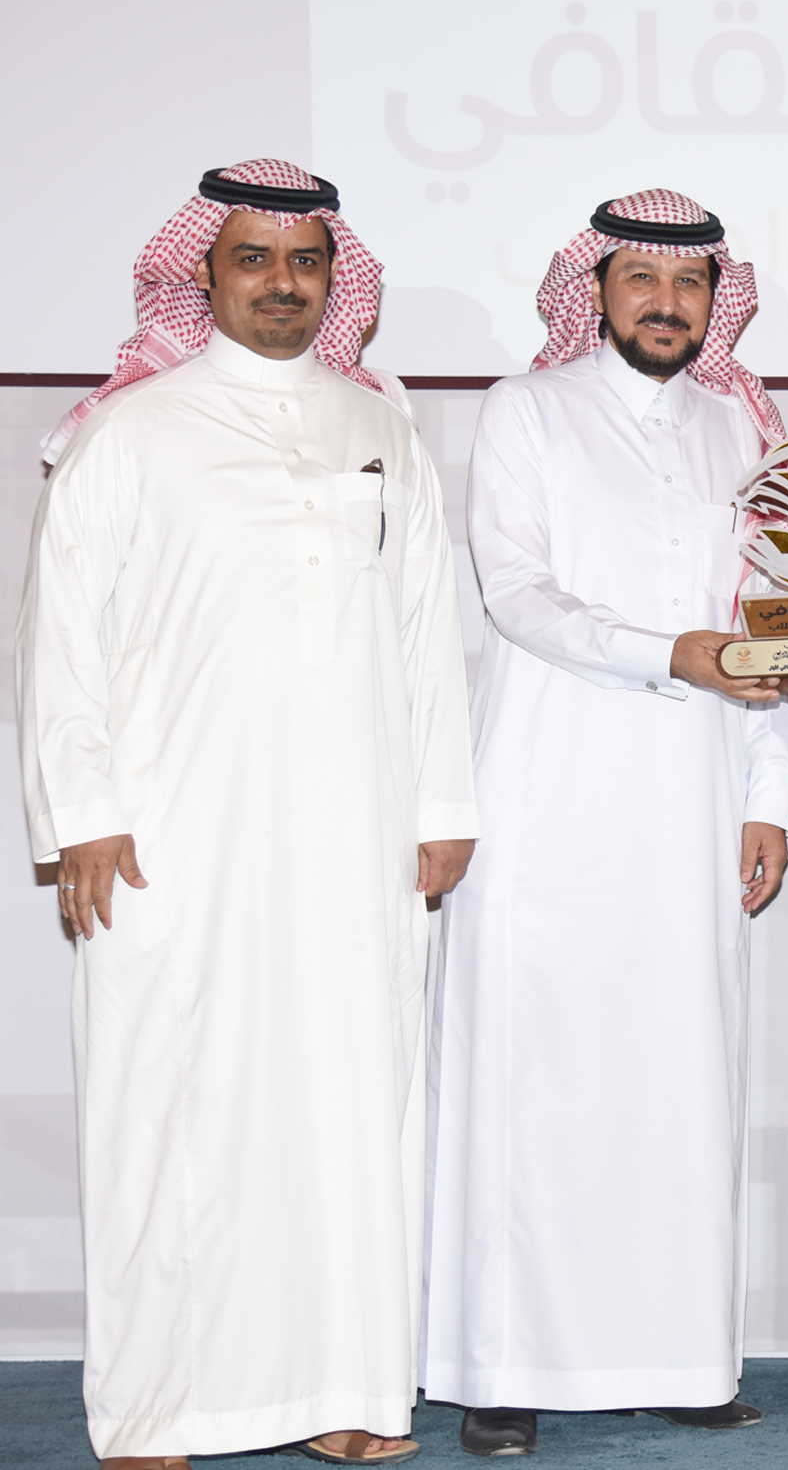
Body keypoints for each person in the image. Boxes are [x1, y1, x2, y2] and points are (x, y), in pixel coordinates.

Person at [17, 160, 477, 1468]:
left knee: (349, 1107)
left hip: (357, 835)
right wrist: (81, 813)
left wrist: (442, 800)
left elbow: (425, 627)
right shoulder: (128, 430)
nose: (283, 282)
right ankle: (160, 1405)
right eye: (253, 258)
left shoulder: (380, 427)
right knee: (170, 1107)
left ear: (335, 279)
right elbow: (59, 638)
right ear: (201, 274)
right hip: (174, 838)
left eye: (305, 261)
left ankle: (347, 1386)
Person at [421, 191, 788, 1457]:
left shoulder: (738, 427)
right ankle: (505, 1365)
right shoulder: (526, 410)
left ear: (714, 300)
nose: (666, 303)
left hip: (693, 794)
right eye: (641, 278)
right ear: (595, 289)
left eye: (689, 283)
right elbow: (518, 591)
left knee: (677, 1075)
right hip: (550, 789)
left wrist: (765, 796)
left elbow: (755, 624)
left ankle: (677, 1355)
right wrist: (665, 652)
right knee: (532, 1075)